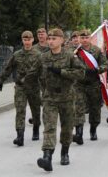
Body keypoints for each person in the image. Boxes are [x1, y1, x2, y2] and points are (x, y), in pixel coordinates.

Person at [37, 28, 85, 171]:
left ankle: (65, 152)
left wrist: (62, 72)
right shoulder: (43, 57)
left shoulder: (70, 56)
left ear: (62, 40)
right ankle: (47, 157)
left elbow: (81, 73)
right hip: (49, 97)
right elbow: (34, 73)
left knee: (67, 127)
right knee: (49, 127)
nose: (50, 41)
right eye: (49, 39)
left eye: (54, 39)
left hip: (67, 97)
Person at [0, 31, 42, 146]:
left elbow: (42, 72)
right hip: (20, 87)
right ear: (22, 40)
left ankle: (36, 128)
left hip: (34, 87)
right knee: (20, 110)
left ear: (32, 40)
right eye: (24, 40)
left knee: (35, 110)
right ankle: (20, 136)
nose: (26, 42)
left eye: (28, 39)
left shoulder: (38, 55)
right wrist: (1, 81)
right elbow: (8, 68)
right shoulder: (17, 55)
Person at [75, 29, 108, 141]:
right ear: (79, 38)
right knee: (78, 108)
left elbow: (106, 64)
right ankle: (79, 133)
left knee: (95, 109)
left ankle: (93, 129)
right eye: (82, 38)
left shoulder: (97, 51)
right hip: (79, 84)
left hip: (94, 84)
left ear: (90, 38)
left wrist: (97, 70)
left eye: (86, 38)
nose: (84, 40)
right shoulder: (75, 51)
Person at [28, 28, 49, 125]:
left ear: (46, 35)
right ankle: (35, 116)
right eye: (39, 34)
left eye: (43, 33)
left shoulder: (51, 46)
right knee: (35, 98)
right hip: (36, 77)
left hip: (48, 76)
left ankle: (45, 117)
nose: (41, 36)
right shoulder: (34, 48)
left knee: (47, 97)